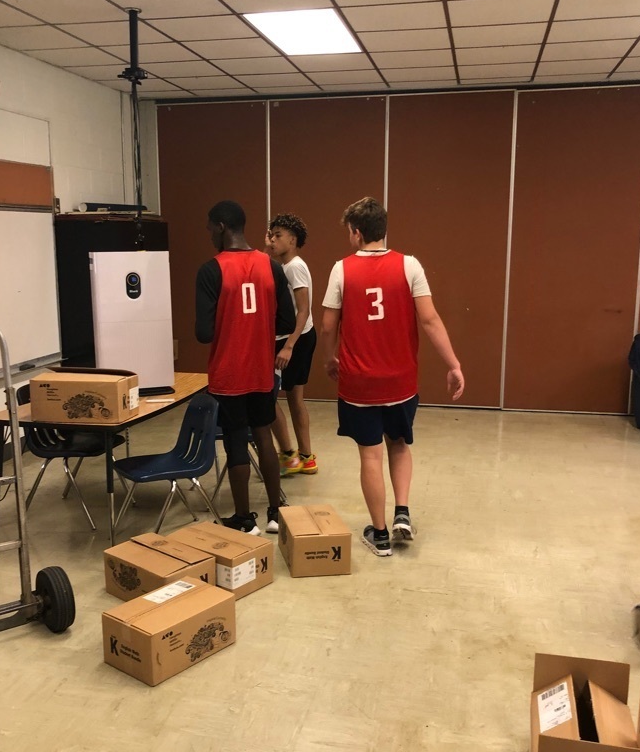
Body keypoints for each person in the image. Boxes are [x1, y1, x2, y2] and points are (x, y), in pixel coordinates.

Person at [321, 196, 464, 557]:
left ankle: (380, 534)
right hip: (400, 382)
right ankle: (402, 512)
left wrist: (329, 357)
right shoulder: (409, 265)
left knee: (370, 456)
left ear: (356, 232)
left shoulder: (341, 269)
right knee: (399, 444)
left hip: (359, 384)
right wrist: (453, 364)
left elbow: (327, 325)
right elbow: (430, 320)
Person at [196, 200, 295, 535]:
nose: (209, 234)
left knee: (236, 440)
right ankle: (275, 513)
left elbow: (203, 333)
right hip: (261, 370)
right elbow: (287, 321)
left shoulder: (211, 270)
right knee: (263, 434)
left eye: (210, 228)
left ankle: (244, 519)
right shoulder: (272, 267)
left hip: (229, 373)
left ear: (222, 227)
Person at [265, 213, 318, 476]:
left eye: (278, 236)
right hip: (292, 338)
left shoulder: (294, 267)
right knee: (289, 398)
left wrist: (289, 346)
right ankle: (302, 457)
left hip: (296, 339)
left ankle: (292, 456)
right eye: (271, 236)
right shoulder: (282, 266)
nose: (273, 241)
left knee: (271, 398)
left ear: (293, 240)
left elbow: (304, 309)